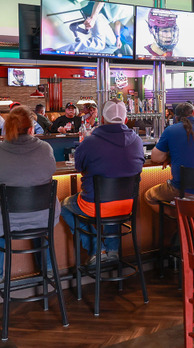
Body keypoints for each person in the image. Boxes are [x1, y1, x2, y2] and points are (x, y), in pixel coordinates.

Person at [0, 106, 60, 286]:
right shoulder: (45, 149)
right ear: (31, 129)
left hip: (4, 221)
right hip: (42, 219)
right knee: (40, 229)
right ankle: (49, 271)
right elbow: (51, 170)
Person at [60, 100, 144, 265]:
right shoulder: (137, 141)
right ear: (126, 119)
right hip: (128, 205)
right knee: (113, 202)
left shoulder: (90, 142)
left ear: (103, 120)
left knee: (64, 206)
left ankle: (97, 250)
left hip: (96, 206)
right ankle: (113, 251)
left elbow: (79, 167)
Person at [144, 102, 194, 213]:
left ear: (176, 118)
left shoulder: (171, 130)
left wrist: (169, 155)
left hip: (180, 189)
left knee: (149, 196)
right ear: (193, 113)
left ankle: (179, 218)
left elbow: (155, 157)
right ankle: (186, 219)